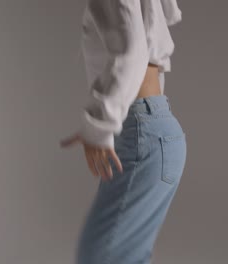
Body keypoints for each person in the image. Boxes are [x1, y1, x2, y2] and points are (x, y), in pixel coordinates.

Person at [60, 0, 186, 263]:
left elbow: (133, 53)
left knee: (97, 257)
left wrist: (100, 124)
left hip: (144, 132)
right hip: (156, 130)